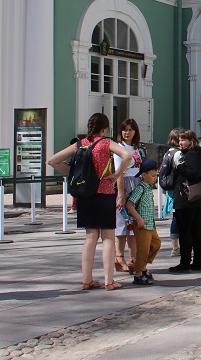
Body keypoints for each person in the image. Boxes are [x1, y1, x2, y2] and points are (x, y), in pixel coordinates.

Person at [47, 112, 132, 290]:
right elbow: (127, 156)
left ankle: (87, 280)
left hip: (85, 195)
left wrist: (71, 174)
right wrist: (117, 174)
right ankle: (109, 281)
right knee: (108, 237)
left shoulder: (80, 145)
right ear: (104, 128)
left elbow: (52, 161)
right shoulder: (106, 143)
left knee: (90, 237)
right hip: (105, 193)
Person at [169, 129, 201, 272]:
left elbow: (194, 173)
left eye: (183, 140)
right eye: (179, 140)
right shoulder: (194, 154)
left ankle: (186, 262)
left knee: (186, 231)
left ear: (191, 141)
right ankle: (197, 261)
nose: (180, 143)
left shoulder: (191, 155)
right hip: (195, 198)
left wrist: (180, 169)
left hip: (188, 199)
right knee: (195, 229)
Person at [113, 118, 144, 274]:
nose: (127, 133)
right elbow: (119, 173)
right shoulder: (120, 148)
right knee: (122, 223)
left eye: (130, 130)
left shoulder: (136, 148)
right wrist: (121, 194)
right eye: (125, 130)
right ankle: (119, 256)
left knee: (134, 224)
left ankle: (134, 258)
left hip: (136, 184)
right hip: (125, 185)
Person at [125, 158, 162, 286]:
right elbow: (129, 205)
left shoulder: (148, 187)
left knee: (156, 244)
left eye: (156, 175)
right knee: (143, 249)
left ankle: (143, 266)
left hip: (150, 224)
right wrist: (139, 219)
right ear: (144, 175)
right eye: (152, 176)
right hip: (142, 225)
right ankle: (138, 274)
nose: (155, 178)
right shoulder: (140, 188)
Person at [159, 128, 182, 258]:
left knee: (175, 218)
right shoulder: (178, 154)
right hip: (177, 189)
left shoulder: (168, 152)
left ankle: (175, 247)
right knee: (178, 219)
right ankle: (176, 247)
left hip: (170, 188)